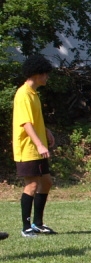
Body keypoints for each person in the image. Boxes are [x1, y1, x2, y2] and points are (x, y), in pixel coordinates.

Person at [12, 54, 57, 237]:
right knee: (31, 185)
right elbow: (25, 123)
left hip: (37, 148)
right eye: (45, 74)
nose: (47, 77)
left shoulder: (34, 94)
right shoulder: (23, 94)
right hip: (28, 148)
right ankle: (26, 227)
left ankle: (38, 223)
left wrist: (46, 131)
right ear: (37, 74)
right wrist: (39, 145)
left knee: (46, 182)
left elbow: (33, 120)